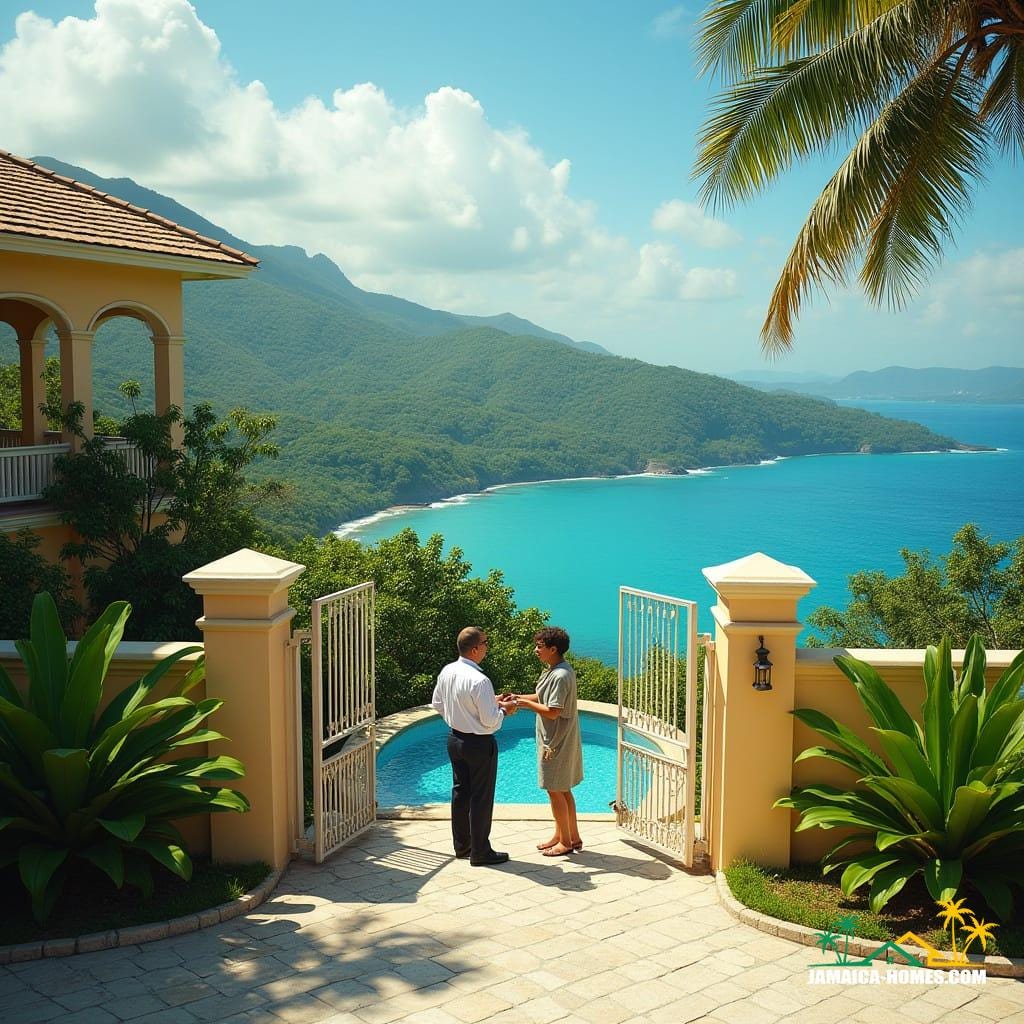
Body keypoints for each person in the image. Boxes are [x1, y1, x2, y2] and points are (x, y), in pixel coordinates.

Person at [431, 626, 516, 866]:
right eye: (486, 643)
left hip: (455, 739)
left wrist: (471, 710)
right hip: (479, 744)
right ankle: (481, 851)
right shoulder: (480, 680)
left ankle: (463, 846)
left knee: (460, 793)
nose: (488, 647)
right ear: (476, 648)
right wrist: (504, 709)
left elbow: (438, 702)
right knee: (481, 797)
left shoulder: (448, 671)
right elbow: (490, 721)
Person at [512, 627, 584, 857]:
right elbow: (542, 697)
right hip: (554, 739)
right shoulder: (554, 670)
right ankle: (568, 835)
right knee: (562, 789)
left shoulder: (561, 675)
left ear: (553, 649)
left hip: (555, 742)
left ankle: (565, 842)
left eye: (540, 647)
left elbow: (553, 711)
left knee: (555, 790)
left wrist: (523, 705)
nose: (536, 650)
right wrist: (517, 697)